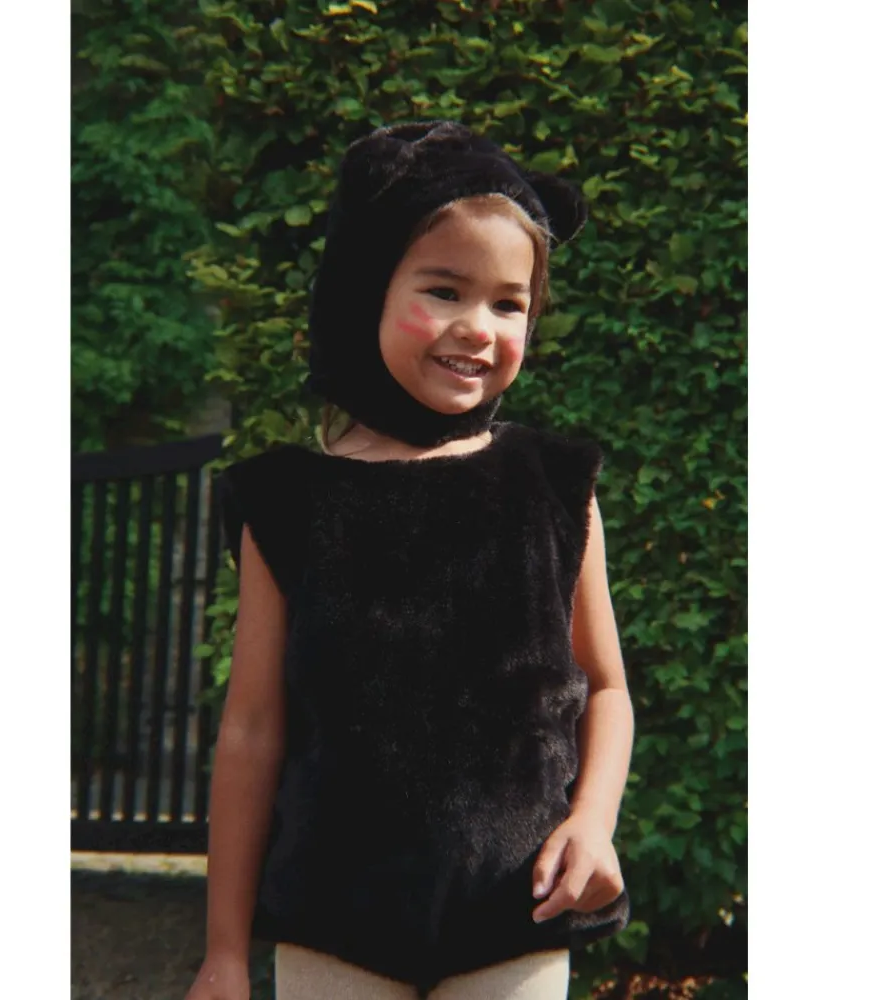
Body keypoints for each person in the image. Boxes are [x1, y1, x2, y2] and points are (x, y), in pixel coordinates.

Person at [185, 120, 634, 1000]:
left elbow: (607, 687)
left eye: (508, 304)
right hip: (334, 924)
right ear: (366, 292)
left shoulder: (556, 488)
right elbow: (251, 730)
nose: (478, 328)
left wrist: (593, 821)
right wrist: (225, 950)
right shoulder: (287, 504)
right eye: (444, 289)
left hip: (515, 915)